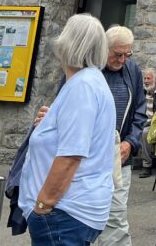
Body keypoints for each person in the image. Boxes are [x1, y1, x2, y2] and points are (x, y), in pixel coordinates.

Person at [19, 14, 115, 246]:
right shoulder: (88, 81)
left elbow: (71, 154)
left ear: (67, 43)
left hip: (64, 212)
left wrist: (43, 204)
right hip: (70, 211)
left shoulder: (82, 86)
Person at [98, 26, 146, 246]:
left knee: (116, 218)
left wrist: (131, 142)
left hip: (120, 157)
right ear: (104, 49)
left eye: (128, 54)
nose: (123, 60)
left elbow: (139, 111)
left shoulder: (132, 70)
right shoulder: (89, 68)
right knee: (83, 217)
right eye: (117, 54)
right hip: (88, 156)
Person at [138, 69, 156, 177]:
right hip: (143, 121)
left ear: (155, 80)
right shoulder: (142, 93)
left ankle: (146, 165)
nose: (146, 81)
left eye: (149, 78)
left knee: (145, 133)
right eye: (145, 78)